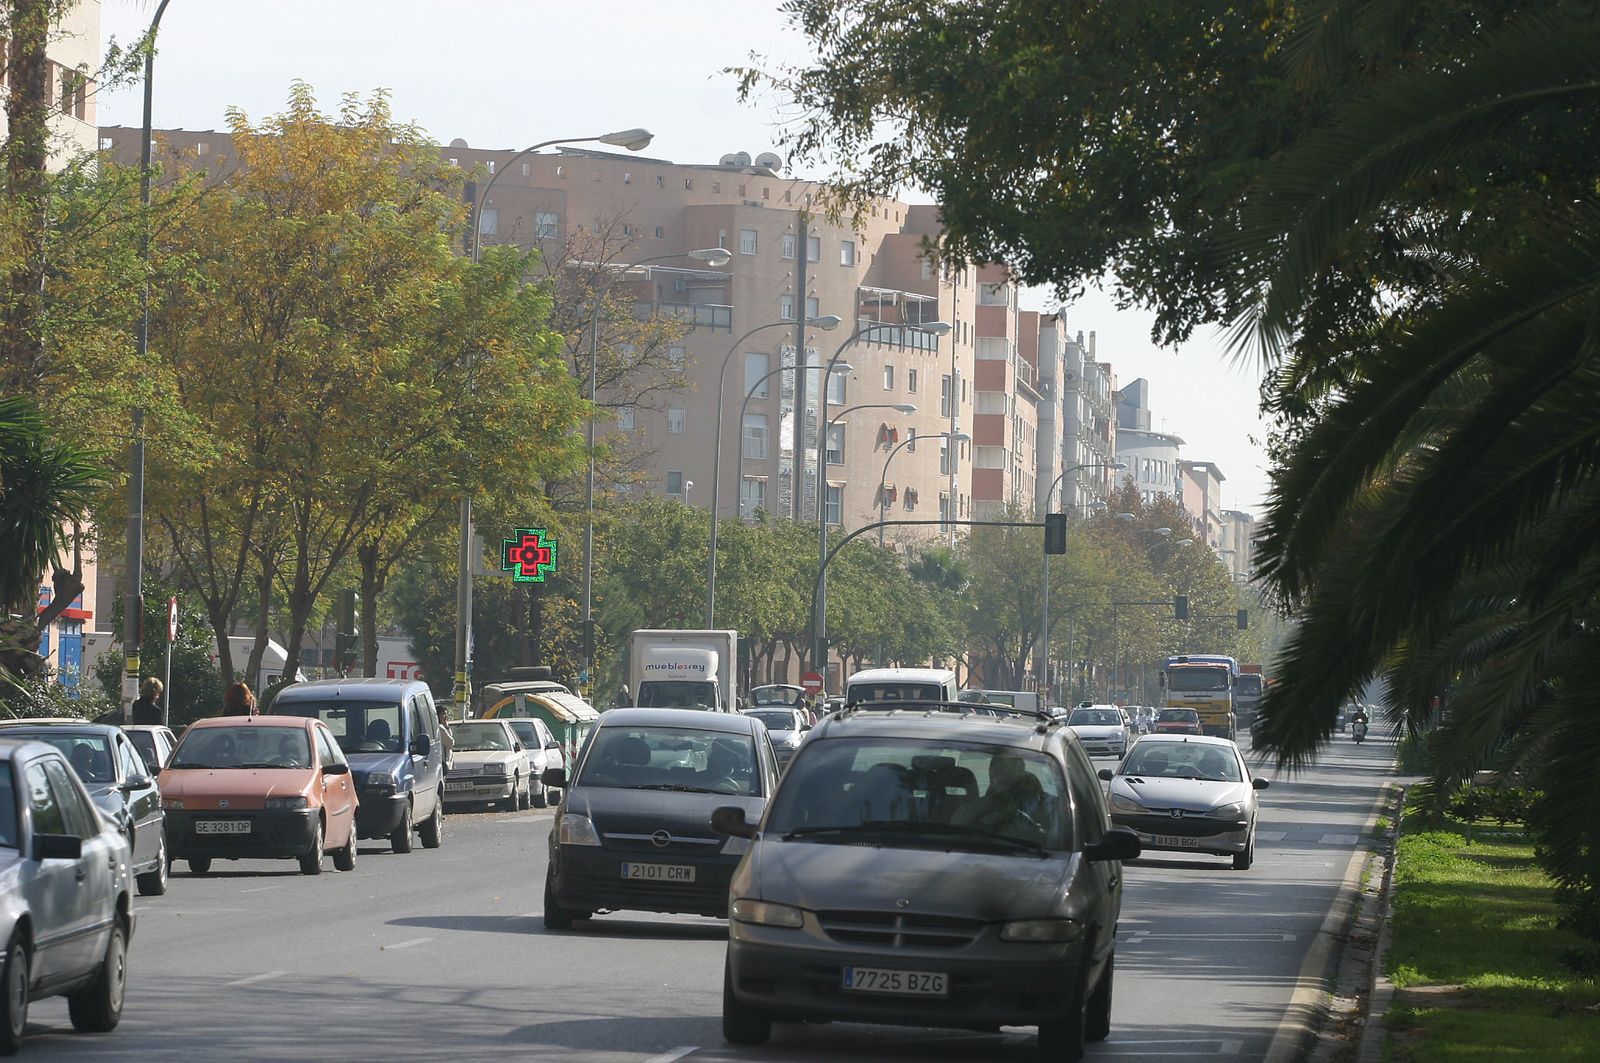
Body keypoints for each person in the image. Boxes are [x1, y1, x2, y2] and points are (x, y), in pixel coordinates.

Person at [436, 705, 454, 773]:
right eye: (443, 714)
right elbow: (451, 743)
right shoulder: (440, 728)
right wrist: (446, 727)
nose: (445, 716)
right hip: (444, 762)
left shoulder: (441, 727)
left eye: (446, 714)